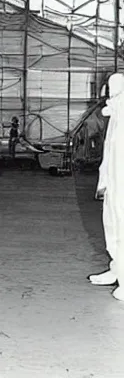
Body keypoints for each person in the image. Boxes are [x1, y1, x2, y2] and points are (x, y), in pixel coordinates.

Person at [90, 72, 124, 301]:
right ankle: (117, 268)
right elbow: (110, 152)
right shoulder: (115, 114)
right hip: (114, 180)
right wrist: (103, 182)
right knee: (112, 225)